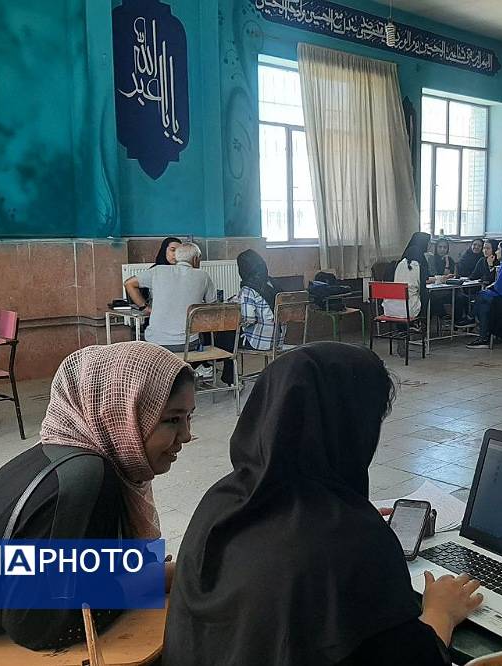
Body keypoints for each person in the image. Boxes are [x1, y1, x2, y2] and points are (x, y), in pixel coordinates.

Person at [164, 343, 482, 665]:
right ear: (351, 429)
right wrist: (440, 613)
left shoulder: (220, 502)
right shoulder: (354, 547)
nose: (185, 436)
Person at [0, 342, 193, 652]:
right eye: (172, 419)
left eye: (188, 417)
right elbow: (37, 626)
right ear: (119, 412)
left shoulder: (66, 452)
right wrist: (150, 581)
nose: (187, 435)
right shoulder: (86, 477)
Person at [124, 242, 216, 353]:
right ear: (196, 259)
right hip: (187, 344)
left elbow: (129, 283)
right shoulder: (203, 275)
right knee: (202, 336)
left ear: (177, 257)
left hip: (156, 344)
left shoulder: (158, 271)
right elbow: (212, 307)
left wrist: (144, 307)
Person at [212, 250, 282, 385]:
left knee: (228, 332)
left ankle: (212, 364)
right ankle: (227, 375)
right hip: (278, 338)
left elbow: (249, 319)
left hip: (261, 341)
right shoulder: (273, 283)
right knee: (230, 335)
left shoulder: (248, 289)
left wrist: (237, 312)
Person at [383, 232, 432, 319]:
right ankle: (426, 323)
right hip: (410, 310)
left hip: (389, 310)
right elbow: (424, 284)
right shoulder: (418, 264)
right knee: (431, 298)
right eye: (429, 243)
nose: (430, 245)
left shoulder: (399, 264)